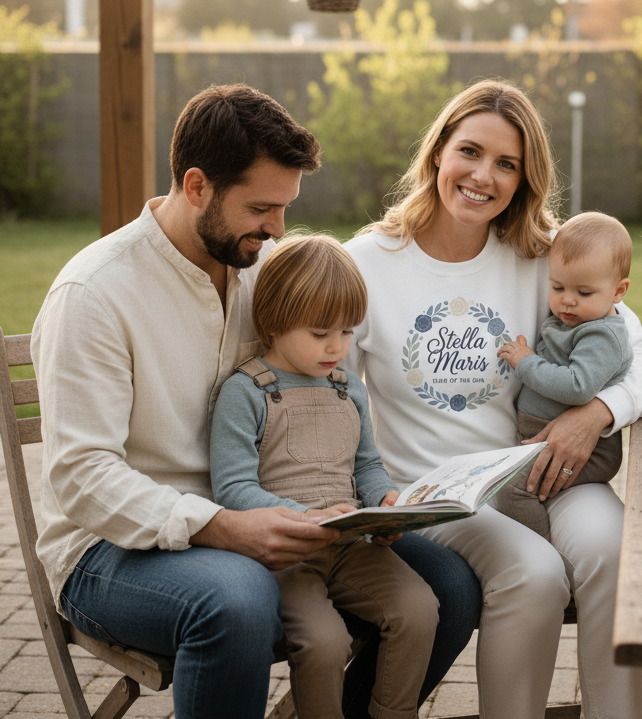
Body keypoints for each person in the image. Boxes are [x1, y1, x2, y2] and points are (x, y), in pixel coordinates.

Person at [31, 83, 479, 719]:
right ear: (196, 186)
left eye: (286, 209)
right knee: (236, 598)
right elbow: (82, 478)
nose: (277, 229)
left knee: (451, 583)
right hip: (113, 550)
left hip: (269, 520)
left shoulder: (266, 274)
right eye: (263, 208)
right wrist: (222, 526)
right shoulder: (95, 294)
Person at [343, 79, 642, 719]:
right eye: (469, 151)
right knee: (536, 573)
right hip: (430, 491)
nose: (482, 176)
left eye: (506, 164)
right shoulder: (367, 265)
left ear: (524, 179)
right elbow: (330, 394)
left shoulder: (544, 260)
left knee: (612, 550)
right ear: (437, 153)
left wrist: (595, 413)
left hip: (546, 475)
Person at [211, 233, 440, 719]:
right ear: (274, 321)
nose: (337, 347)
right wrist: (308, 517)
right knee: (324, 643)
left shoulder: (347, 389)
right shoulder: (246, 392)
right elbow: (232, 489)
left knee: (419, 609)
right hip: (284, 558)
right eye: (320, 334)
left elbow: (366, 466)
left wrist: (388, 502)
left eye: (348, 332)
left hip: (351, 549)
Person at [492, 211, 633, 540]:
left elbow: (577, 387)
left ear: (619, 291)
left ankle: (542, 548)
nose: (567, 300)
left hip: (588, 451)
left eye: (584, 293)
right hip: (543, 440)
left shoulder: (601, 335)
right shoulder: (574, 319)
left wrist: (526, 362)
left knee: (511, 489)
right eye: (557, 287)